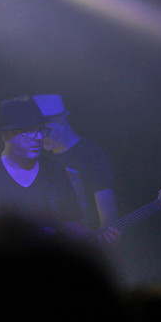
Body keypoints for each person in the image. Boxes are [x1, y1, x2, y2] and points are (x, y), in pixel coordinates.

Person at [0, 96, 87, 237]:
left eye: (41, 130)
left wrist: (94, 241)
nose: (39, 138)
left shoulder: (54, 170)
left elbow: (72, 224)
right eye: (29, 131)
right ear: (6, 135)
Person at [34, 93, 120, 243]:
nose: (40, 138)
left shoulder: (92, 156)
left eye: (44, 131)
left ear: (60, 123)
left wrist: (98, 237)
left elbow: (108, 220)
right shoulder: (40, 158)